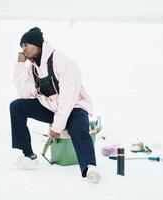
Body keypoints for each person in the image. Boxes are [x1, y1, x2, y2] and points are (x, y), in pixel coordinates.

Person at [9, 27, 100, 183]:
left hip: (74, 106)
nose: (23, 49)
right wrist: (19, 65)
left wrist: (57, 127)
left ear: (37, 44)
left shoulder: (61, 60)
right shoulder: (33, 67)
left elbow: (68, 97)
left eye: (26, 44)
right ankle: (29, 156)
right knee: (17, 107)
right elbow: (25, 93)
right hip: (51, 106)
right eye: (21, 46)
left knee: (78, 129)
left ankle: (90, 167)